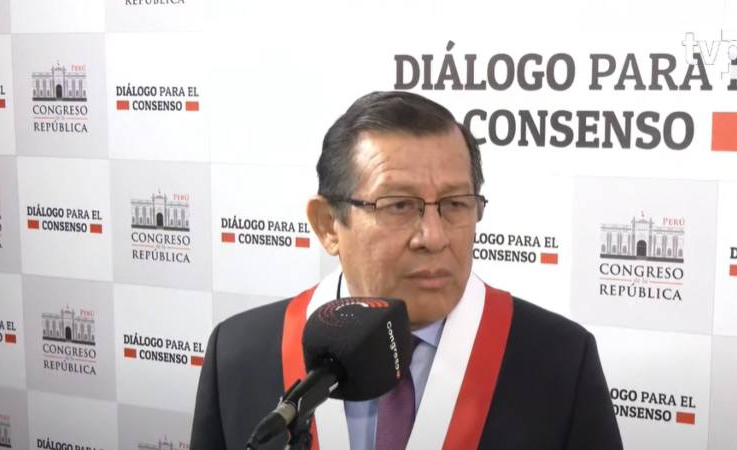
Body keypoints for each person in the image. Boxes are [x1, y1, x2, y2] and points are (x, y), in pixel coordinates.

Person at [190, 91, 623, 450]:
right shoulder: (240, 354)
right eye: (398, 205)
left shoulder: (560, 361)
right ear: (328, 225)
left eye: (455, 204)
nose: (433, 237)